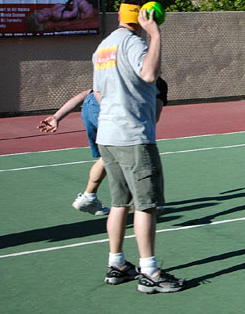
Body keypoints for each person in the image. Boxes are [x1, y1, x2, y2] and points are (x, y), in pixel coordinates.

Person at [93, 0, 184, 293]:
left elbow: (97, 95)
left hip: (107, 135)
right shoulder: (135, 42)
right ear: (145, 15)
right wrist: (155, 35)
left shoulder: (103, 47)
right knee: (146, 205)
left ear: (120, 15)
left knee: (119, 203)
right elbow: (148, 74)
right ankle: (150, 272)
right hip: (132, 135)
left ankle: (116, 263)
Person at [37, 78, 169, 216]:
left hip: (90, 107)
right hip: (104, 109)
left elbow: (84, 95)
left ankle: (89, 197)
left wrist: (57, 116)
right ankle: (143, 200)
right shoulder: (156, 82)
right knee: (123, 153)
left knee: (108, 156)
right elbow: (154, 116)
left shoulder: (121, 74)